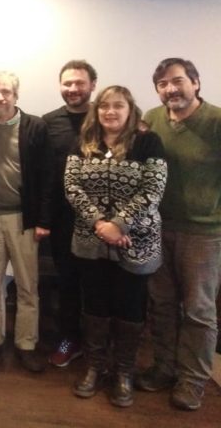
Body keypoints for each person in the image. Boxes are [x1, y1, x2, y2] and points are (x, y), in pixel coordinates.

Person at [65, 85, 167, 407]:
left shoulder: (148, 142)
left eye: (118, 106)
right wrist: (101, 225)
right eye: (104, 106)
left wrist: (119, 225)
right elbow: (72, 186)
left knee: (130, 307)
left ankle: (124, 372)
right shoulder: (84, 142)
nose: (110, 111)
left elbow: (153, 190)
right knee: (95, 305)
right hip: (91, 240)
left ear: (130, 109)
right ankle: (95, 367)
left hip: (137, 241)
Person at [139, 58, 221, 411]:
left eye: (177, 81)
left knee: (199, 311)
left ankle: (193, 380)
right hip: (158, 228)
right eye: (163, 84)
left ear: (195, 82)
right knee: (162, 305)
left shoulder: (216, 121)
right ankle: (164, 368)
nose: (170, 89)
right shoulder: (153, 119)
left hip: (204, 233)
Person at [0, 71, 51, 373]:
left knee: (27, 285)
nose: (0, 97)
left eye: (6, 91)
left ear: (16, 94)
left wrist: (43, 220)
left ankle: (26, 343)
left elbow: (46, 178)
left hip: (23, 219)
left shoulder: (35, 126)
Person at [42, 61, 98, 367]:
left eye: (80, 83)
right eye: (67, 83)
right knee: (67, 283)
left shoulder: (106, 117)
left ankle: (99, 345)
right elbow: (44, 176)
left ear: (93, 85)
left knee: (100, 284)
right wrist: (43, 220)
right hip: (63, 220)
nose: (73, 89)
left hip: (103, 221)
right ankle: (69, 339)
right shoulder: (48, 123)